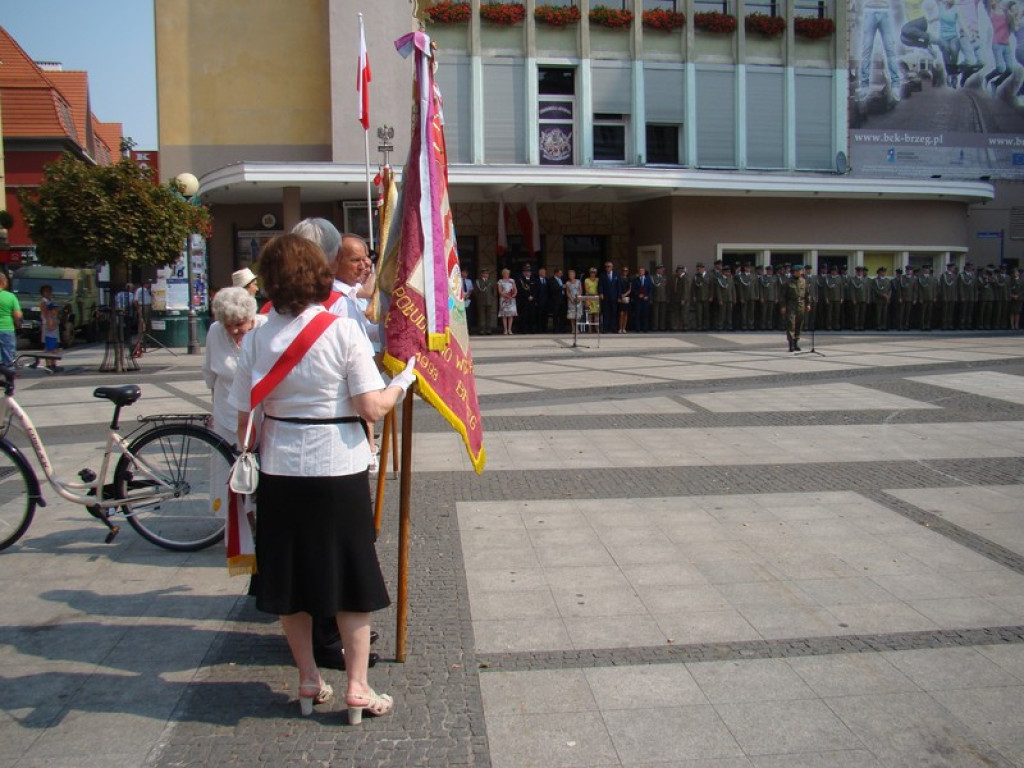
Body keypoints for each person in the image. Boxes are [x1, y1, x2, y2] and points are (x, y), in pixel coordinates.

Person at [228, 234, 414, 725]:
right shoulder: (340, 331)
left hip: (280, 468)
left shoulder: (258, 335)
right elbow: (371, 406)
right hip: (338, 467)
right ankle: (357, 686)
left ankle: (309, 678)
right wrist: (402, 382)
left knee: (291, 578)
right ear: (316, 274)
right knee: (350, 577)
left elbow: (242, 414)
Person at [203, 287, 266, 447]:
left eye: (239, 324)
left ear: (250, 317)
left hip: (259, 416)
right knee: (225, 466)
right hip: (225, 413)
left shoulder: (266, 328)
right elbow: (210, 374)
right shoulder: (215, 331)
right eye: (227, 325)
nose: (233, 330)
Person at [782, 264, 811, 352]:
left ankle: (796, 342)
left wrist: (808, 304)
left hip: (801, 304)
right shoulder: (787, 282)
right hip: (791, 304)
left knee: (799, 323)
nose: (801, 272)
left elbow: (807, 294)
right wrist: (783, 306)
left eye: (801, 271)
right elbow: (783, 295)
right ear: (795, 272)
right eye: (799, 271)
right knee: (791, 324)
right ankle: (791, 344)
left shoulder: (804, 281)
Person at [0, 273, 21, 369]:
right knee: (9, 357)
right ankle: (9, 379)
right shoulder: (10, 296)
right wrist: (18, 324)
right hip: (7, 328)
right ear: (3, 282)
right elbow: (17, 315)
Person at [39, 285, 60, 371]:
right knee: (49, 346)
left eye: (49, 291)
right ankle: (48, 364)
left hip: (53, 324)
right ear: (42, 293)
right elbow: (45, 313)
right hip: (48, 325)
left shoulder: (50, 300)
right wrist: (49, 323)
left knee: (54, 346)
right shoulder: (44, 301)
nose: (49, 293)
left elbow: (54, 312)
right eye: (46, 291)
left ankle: (53, 363)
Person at [474, 269, 495, 334]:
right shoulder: (478, 281)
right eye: (485, 273)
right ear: (482, 274)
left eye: (487, 274)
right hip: (481, 301)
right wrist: (479, 298)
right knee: (481, 316)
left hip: (489, 301)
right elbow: (475, 292)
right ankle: (482, 330)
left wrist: (491, 299)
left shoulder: (490, 282)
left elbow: (492, 292)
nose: (486, 275)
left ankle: (488, 330)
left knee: (489, 316)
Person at [497, 268, 517, 335]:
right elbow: (500, 291)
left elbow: (515, 290)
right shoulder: (500, 281)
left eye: (508, 273)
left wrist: (513, 295)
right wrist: (506, 296)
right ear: (503, 274)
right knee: (504, 315)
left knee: (511, 315)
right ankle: (505, 330)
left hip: (511, 299)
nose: (507, 275)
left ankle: (509, 330)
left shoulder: (512, 280)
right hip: (504, 299)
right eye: (505, 273)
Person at [583, 267, 600, 331]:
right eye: (591, 272)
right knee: (589, 314)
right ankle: (590, 329)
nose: (593, 273)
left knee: (596, 314)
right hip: (589, 298)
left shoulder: (598, 280)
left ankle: (596, 328)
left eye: (594, 272)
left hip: (596, 299)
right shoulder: (586, 280)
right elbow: (586, 289)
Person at [616, 266, 632, 333]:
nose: (625, 272)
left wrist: (625, 295)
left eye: (626, 271)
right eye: (624, 271)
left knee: (626, 313)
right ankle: (620, 328)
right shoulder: (619, 279)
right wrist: (620, 296)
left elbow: (630, 289)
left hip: (626, 297)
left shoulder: (629, 279)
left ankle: (624, 328)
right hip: (620, 297)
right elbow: (617, 288)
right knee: (621, 313)